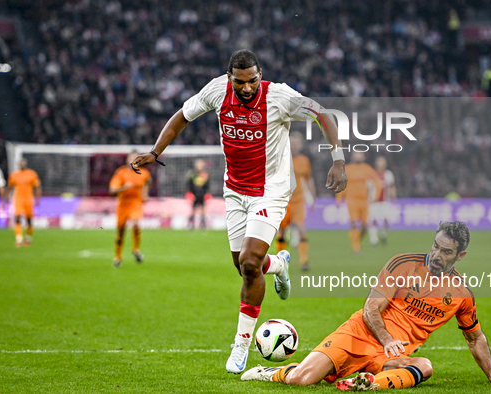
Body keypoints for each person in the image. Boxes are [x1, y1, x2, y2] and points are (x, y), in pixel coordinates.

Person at [130, 49, 347, 373]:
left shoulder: (280, 96)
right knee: (245, 266)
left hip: (271, 191)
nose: (247, 88)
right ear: (231, 78)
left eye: (253, 81)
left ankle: (241, 345)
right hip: (235, 191)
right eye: (240, 82)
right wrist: (154, 151)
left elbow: (324, 115)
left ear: (260, 75)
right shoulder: (217, 90)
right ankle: (278, 264)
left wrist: (338, 159)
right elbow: (182, 117)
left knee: (248, 261)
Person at [242, 222, 491, 390]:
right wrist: (386, 339)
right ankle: (273, 373)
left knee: (425, 366)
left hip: (389, 359)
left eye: (446, 252)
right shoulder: (404, 263)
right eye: (435, 246)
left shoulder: (461, 295)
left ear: (461, 255)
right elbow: (370, 309)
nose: (436, 254)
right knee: (304, 379)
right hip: (359, 334)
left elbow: (475, 337)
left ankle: (368, 384)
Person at [276, 132, 316, 271]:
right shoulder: (281, 158)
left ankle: (304, 261)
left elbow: (308, 178)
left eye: (296, 143)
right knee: (281, 231)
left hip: (298, 201)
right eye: (291, 143)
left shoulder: (304, 160)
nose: (294, 146)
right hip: (283, 201)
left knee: (301, 229)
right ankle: (280, 261)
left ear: (300, 145)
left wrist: (313, 196)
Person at [109, 152, 152, 267]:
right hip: (123, 205)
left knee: (136, 223)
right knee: (121, 231)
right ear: (127, 160)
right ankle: (118, 257)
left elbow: (148, 182)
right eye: (131, 157)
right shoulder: (121, 173)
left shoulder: (144, 173)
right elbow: (112, 190)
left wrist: (145, 194)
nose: (133, 160)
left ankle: (136, 249)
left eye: (136, 158)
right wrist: (124, 187)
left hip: (136, 203)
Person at [336, 151, 382, 254]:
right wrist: (339, 198)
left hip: (364, 200)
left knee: (365, 225)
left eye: (360, 155)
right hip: (351, 200)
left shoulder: (367, 169)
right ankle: (356, 247)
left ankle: (356, 240)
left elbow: (377, 182)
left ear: (363, 157)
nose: (357, 157)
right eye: (356, 155)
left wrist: (376, 196)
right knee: (354, 223)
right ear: (353, 156)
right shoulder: (347, 169)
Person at [7, 159, 41, 247]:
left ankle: (28, 238)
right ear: (19, 165)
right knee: (17, 217)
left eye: (23, 163)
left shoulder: (31, 174)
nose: (22, 164)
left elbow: (37, 187)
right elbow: (10, 187)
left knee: (29, 220)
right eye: (20, 163)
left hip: (29, 199)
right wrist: (6, 198)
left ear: (25, 164)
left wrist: (38, 198)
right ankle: (19, 239)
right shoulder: (14, 175)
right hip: (18, 199)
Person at [368, 156, 397, 246]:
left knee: (385, 219)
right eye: (380, 162)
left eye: (383, 162)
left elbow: (392, 186)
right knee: (373, 220)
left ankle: (383, 234)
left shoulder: (388, 174)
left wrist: (393, 197)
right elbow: (367, 188)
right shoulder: (371, 174)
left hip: (385, 201)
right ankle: (374, 239)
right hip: (373, 202)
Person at [186, 159, 210, 230]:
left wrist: (206, 194)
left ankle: (203, 226)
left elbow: (207, 185)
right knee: (192, 210)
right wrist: (190, 193)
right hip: (194, 194)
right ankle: (191, 225)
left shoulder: (205, 174)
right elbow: (189, 185)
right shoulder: (192, 174)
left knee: (203, 210)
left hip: (202, 194)